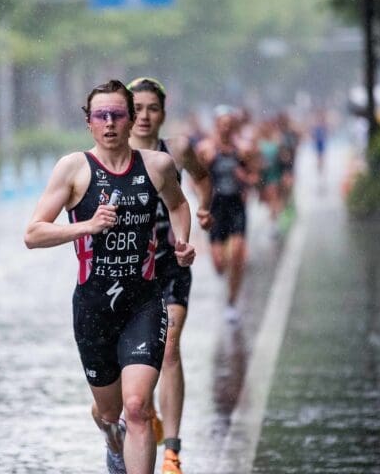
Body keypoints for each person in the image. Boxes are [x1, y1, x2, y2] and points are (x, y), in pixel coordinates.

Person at [24, 80, 196, 474]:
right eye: (101, 116)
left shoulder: (157, 166)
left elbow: (179, 204)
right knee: (109, 411)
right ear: (89, 123)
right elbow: (33, 233)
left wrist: (182, 240)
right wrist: (86, 226)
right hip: (94, 308)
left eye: (118, 114)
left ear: (131, 119)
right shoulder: (73, 169)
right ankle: (110, 436)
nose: (110, 123)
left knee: (136, 409)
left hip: (144, 303)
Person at [126, 77, 212, 474]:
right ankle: (144, 410)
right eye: (137, 108)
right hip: (128, 274)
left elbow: (202, 177)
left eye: (152, 109)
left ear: (163, 113)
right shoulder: (115, 155)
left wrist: (206, 208)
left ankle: (172, 451)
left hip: (170, 264)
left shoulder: (174, 151)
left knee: (170, 346)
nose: (144, 116)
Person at [196, 106, 257, 323]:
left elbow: (255, 177)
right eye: (222, 124)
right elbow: (197, 179)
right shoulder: (205, 149)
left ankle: (231, 302)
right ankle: (225, 274)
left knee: (238, 254)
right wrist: (202, 204)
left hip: (236, 207)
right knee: (220, 263)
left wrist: (245, 178)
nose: (226, 128)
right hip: (216, 208)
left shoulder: (244, 149)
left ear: (234, 127)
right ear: (216, 125)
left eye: (229, 125)